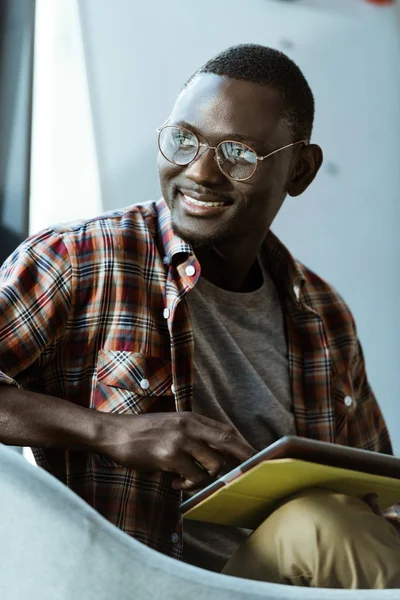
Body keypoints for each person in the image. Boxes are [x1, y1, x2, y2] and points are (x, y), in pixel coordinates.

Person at [0, 44, 399, 589]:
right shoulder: (80, 260)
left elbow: (376, 494)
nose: (201, 173)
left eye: (238, 154)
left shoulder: (324, 314)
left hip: (283, 584)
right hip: (134, 583)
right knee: (321, 527)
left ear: (300, 170)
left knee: (332, 522)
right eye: (183, 141)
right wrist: (109, 433)